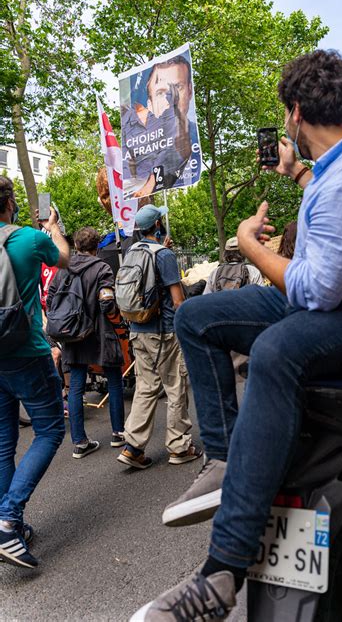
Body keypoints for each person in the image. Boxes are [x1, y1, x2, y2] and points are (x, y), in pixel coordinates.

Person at [130, 49, 342, 621]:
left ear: (294, 114)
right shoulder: (337, 168)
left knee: (276, 350)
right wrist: (296, 174)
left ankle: (220, 575)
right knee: (196, 318)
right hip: (327, 301)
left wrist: (249, 245)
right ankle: (225, 457)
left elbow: (314, 293)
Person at [0, 177, 69, 568]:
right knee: (50, 430)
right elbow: (64, 259)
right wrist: (54, 229)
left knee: (2, 442)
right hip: (27, 351)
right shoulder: (28, 238)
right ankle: (8, 520)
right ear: (9, 202)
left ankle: (9, 521)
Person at [117, 204, 202, 470]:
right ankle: (179, 446)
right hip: (164, 333)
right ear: (156, 225)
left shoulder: (132, 251)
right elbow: (177, 300)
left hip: (138, 330)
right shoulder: (163, 255)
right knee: (175, 387)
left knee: (146, 386)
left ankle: (133, 447)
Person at [47, 227, 125, 458]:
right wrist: (116, 319)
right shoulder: (102, 268)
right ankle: (118, 432)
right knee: (114, 380)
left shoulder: (62, 269)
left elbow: (51, 300)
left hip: (72, 333)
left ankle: (80, 441)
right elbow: (106, 302)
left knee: (76, 386)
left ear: (77, 246)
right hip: (100, 332)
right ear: (97, 246)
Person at [122, 55, 200, 197]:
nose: (170, 99)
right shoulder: (133, 148)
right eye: (161, 92)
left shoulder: (194, 137)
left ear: (190, 91)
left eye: (177, 87)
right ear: (150, 103)